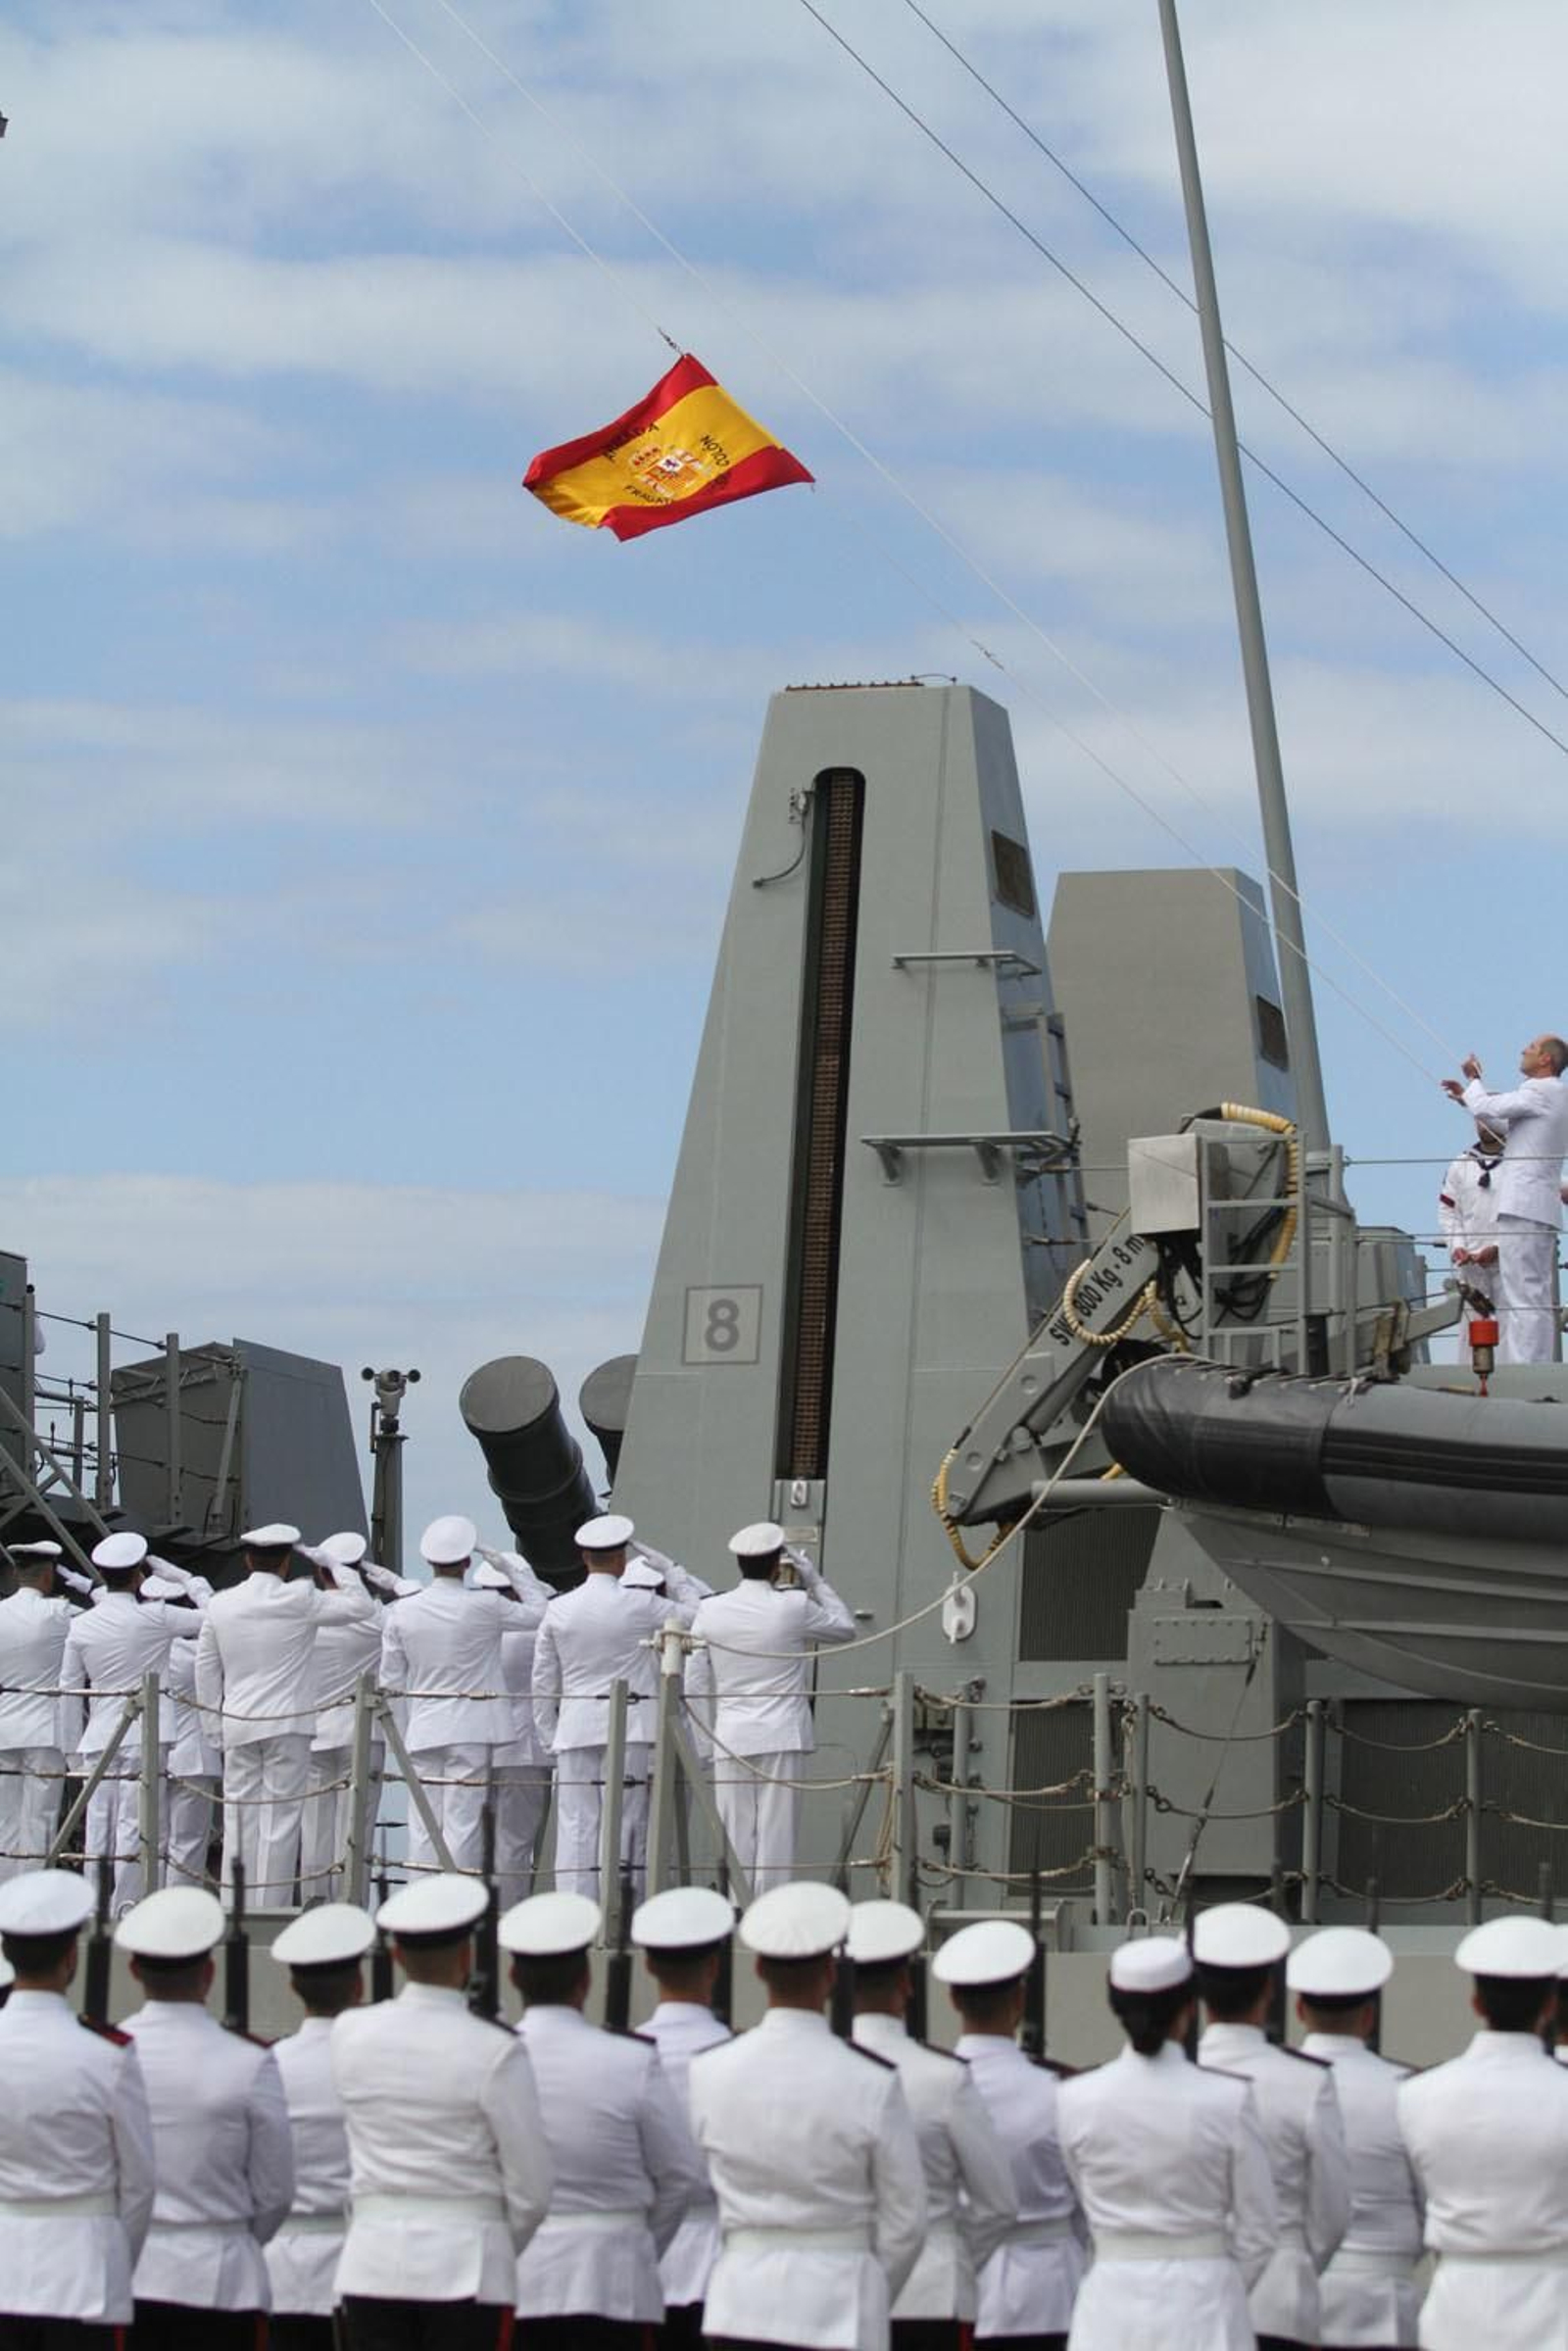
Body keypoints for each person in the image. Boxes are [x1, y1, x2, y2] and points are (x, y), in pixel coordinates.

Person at [688, 1880, 927, 2351]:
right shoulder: (872, 2080)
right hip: (840, 2306)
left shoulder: (709, 2070)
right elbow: (907, 2221)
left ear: (757, 1968)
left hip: (741, 2306)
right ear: (833, 1974)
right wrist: (869, 2285)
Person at [330, 1872, 553, 2351]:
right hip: (467, 2265)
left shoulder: (349, 2033)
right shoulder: (495, 2049)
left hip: (372, 2261)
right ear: (467, 1957)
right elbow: (531, 2191)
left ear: (395, 1956)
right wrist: (489, 2239)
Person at [505, 1887, 707, 2348]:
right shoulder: (630, 2060)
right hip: (614, 2281)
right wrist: (635, 2243)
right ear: (586, 1979)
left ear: (513, 1975)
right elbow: (678, 2176)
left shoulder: (492, 2057)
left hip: (521, 2281)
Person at [1056, 1935, 1277, 2351]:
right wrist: (1220, 2279)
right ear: (1189, 2006)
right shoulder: (1229, 2098)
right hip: (1206, 2305)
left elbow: (1081, 2201)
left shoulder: (1074, 2097)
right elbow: (1260, 2232)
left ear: (1115, 2006)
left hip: (1110, 2305)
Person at [117, 1884, 294, 2348]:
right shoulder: (249, 2060)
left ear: (133, 1970)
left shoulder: (108, 2055)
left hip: (130, 2276)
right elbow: (275, 2192)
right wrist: (231, 2235)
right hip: (222, 2279)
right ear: (210, 1972)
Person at [849, 1899, 1017, 2351]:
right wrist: (954, 2254)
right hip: (932, 2292)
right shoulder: (945, 2078)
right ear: (907, 1985)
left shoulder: (817, 2072)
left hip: (836, 2291)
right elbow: (998, 2204)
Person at [1396, 1914, 1568, 2350]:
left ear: (1476, 2003)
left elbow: (1415, 2202)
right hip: (1554, 2304)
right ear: (1549, 2004)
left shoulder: (1419, 2092)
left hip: (1456, 2305)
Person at [0, 1868, 156, 2348]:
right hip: (85, 2271)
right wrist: (114, 2257)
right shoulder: (107, 2055)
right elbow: (140, 2186)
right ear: (71, 1958)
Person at [195, 1522, 378, 1909]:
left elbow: (206, 1668)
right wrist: (335, 1564)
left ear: (248, 1559)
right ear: (285, 1562)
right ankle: (270, 1909)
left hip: (238, 1723)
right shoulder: (299, 1597)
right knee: (280, 1820)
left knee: (239, 1817)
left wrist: (213, 1727)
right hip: (287, 1723)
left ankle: (235, 1906)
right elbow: (360, 1605)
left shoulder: (221, 1603)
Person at [1193, 1903, 1349, 2351]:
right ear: (1269, 1990)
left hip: (1192, 2298)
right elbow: (1333, 2208)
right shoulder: (1308, 2081)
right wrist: (1296, 2257)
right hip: (1281, 2298)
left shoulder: (1179, 2076)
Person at [930, 1918, 1085, 2351]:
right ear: (1019, 1999)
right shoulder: (1059, 2091)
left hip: (957, 2293)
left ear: (952, 1999)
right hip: (1050, 2295)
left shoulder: (931, 2086)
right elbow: (1086, 2205)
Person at [531, 1514, 695, 1903]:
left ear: (584, 1557)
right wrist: (671, 1570)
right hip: (632, 1729)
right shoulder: (643, 1605)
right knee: (627, 1822)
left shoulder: (559, 1609)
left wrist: (548, 1734)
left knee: (575, 1826)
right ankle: (621, 1911)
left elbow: (542, 1680)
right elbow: (693, 1613)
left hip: (574, 1730)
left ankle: (575, 1911)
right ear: (621, 1559)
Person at [683, 1522, 856, 1890]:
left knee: (734, 1835)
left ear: (739, 1563)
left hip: (731, 1737)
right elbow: (845, 1628)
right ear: (777, 1564)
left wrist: (704, 1741)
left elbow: (694, 1679)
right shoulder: (793, 1606)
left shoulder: (710, 1610)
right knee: (777, 1837)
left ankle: (737, 1910)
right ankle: (767, 1920)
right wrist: (815, 1580)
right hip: (782, 1734)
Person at [379, 1515, 547, 1879]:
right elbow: (539, 1611)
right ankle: (457, 1913)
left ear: (429, 1562)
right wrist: (506, 1565)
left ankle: (421, 1911)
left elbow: (390, 1681)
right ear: (467, 1563)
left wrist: (404, 1735)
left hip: (423, 1731)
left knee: (424, 1827)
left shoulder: (402, 1612)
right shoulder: (485, 1607)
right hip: (472, 1731)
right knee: (464, 1826)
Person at [1286, 1927, 1425, 2351]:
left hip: (1290, 2294)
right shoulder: (1409, 2089)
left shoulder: (1272, 2083)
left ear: (1299, 2009)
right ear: (1369, 2016)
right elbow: (1428, 2199)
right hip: (1387, 2295)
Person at [63, 1534, 210, 1914]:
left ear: (102, 1572)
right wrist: (188, 1580)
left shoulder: (82, 1626)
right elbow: (214, 1614)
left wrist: (70, 1753)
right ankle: (125, 1908)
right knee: (137, 1826)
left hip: (98, 1737)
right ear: (138, 1576)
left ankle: (92, 1907)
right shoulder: (156, 1617)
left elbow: (68, 1691)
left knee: (98, 1827)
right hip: (147, 1736)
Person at [266, 1901, 376, 2351]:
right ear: (359, 1984)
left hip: (282, 2271)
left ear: (293, 1985)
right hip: (363, 2268)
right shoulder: (378, 2063)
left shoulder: (270, 2066)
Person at [630, 1885, 737, 2348]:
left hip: (645, 2260)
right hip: (723, 2260)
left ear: (649, 1964)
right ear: (714, 1965)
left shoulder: (627, 2052)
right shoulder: (738, 2054)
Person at [1443, 1035, 1568, 1363]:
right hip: (1539, 1206)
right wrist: (1466, 1099)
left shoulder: (1539, 1091)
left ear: (1546, 1061)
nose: (1523, 1050)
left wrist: (1473, 1080)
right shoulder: (1555, 1096)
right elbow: (1502, 1125)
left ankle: (1527, 1365)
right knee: (1534, 1291)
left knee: (1521, 1292)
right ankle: (1534, 1361)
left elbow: (1489, 1107)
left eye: (1531, 1047)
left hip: (1523, 1205)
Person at [297, 1533, 406, 1903]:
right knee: (356, 1830)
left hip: (313, 1731)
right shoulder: (377, 1616)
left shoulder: (305, 1611)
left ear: (320, 1570)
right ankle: (350, 1908)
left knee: (314, 1830)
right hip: (362, 1733)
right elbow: (417, 1603)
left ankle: (314, 1904)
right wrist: (390, 1581)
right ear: (360, 1571)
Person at [472, 1550, 554, 1906]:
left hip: (479, 1742)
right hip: (525, 1746)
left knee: (472, 1836)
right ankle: (507, 1914)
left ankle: (472, 1912)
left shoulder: (476, 1629)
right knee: (515, 1840)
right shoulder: (535, 1627)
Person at [0, 1541, 79, 1880]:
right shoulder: (60, 1612)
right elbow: (105, 1616)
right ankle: (30, 1902)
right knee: (40, 1821)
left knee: (5, 1822)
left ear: (16, 1572)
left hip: (4, 1728)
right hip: (46, 1729)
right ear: (48, 1575)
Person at [1438, 1120, 1505, 1312]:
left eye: (1491, 1118)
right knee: (1472, 1337)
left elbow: (1528, 1214)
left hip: (1509, 1267)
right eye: (1480, 1119)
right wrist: (1457, 1246)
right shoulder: (1461, 1164)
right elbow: (1448, 1211)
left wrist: (1499, 1247)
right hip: (1470, 1270)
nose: (1485, 1125)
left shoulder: (1520, 1163)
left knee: (1512, 1336)